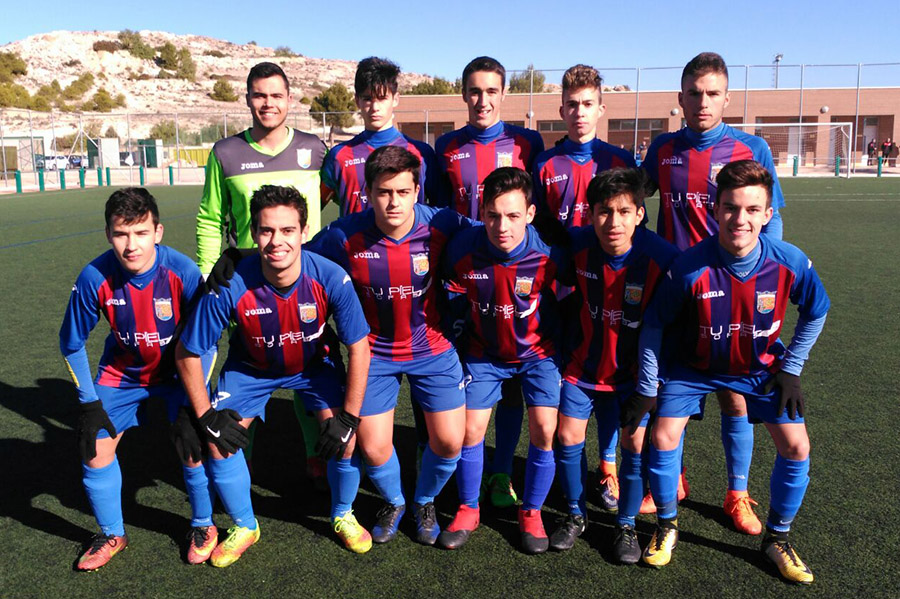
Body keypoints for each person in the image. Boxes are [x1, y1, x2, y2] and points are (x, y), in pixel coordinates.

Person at [625, 159, 829, 584]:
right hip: (694, 367)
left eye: (753, 210)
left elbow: (817, 310)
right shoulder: (689, 266)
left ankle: (778, 538)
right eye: (732, 208)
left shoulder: (789, 261)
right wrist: (648, 387)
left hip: (759, 369)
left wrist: (791, 367)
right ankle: (666, 526)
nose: (741, 219)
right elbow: (656, 324)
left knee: (797, 446)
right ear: (714, 210)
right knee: (662, 436)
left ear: (768, 215)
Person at [176, 185, 371, 565]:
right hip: (252, 369)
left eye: (286, 231)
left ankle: (343, 513)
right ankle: (245, 524)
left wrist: (349, 417)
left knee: (346, 439)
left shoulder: (330, 277)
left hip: (314, 366)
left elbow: (359, 347)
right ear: (254, 232)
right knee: (218, 439)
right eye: (266, 231)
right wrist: (204, 416)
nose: (276, 241)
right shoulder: (229, 284)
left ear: (303, 232)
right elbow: (188, 352)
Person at [641, 52, 788, 530]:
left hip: (734, 292)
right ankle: (674, 478)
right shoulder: (662, 149)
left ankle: (737, 494)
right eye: (693, 93)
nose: (702, 102)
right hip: (678, 290)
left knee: (735, 398)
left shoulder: (751, 148)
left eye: (711, 94)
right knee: (670, 395)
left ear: (727, 98)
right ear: (680, 97)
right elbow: (629, 196)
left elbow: (774, 218)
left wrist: (768, 276)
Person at [307, 145, 472, 545]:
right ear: (368, 192)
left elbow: (499, 237)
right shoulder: (343, 235)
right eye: (383, 192)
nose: (393, 201)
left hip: (432, 347)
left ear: (417, 190)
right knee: (374, 447)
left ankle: (425, 501)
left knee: (451, 440)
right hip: (374, 355)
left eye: (402, 191)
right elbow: (294, 259)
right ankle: (396, 501)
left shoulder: (445, 224)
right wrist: (241, 258)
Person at [59, 187, 217, 570]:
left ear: (157, 233)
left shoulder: (181, 271)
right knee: (94, 448)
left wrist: (193, 404)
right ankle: (112, 532)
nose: (132, 245)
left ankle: (204, 525)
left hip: (180, 372)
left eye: (141, 232)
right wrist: (90, 402)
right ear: (109, 235)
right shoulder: (95, 275)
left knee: (191, 443)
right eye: (121, 234)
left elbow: (207, 341)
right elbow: (71, 343)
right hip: (122, 374)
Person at [196, 61, 329, 487]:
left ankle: (317, 456)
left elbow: (331, 204)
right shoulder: (226, 153)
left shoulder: (316, 149)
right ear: (247, 98)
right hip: (249, 285)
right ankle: (240, 461)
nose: (267, 103)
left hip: (305, 283)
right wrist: (209, 276)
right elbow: (209, 218)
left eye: (276, 95)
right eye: (259, 95)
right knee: (246, 366)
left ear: (290, 100)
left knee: (313, 370)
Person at [435, 56, 546, 507]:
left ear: (504, 95)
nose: (483, 100)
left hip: (517, 265)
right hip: (468, 271)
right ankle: (450, 468)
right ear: (464, 94)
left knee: (516, 376)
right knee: (474, 370)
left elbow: (532, 201)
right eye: (474, 91)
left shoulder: (527, 141)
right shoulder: (445, 145)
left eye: (491, 91)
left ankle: (501, 473)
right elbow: (441, 211)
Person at [551, 168, 678, 560]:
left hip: (634, 378)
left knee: (633, 446)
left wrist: (657, 383)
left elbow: (674, 323)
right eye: (605, 212)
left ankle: (625, 525)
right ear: (590, 214)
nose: (614, 222)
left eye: (625, 211)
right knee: (568, 437)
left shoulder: (663, 258)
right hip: (582, 368)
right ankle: (575, 514)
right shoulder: (578, 246)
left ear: (640, 214)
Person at [442, 167, 566, 554]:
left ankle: (531, 512)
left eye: (513, 216)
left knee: (545, 430)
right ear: (482, 213)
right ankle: (467, 508)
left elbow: (571, 301)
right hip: (484, 354)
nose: (502, 226)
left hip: (537, 355)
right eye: (493, 215)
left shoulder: (549, 256)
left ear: (530, 213)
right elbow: (448, 285)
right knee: (470, 430)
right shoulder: (464, 248)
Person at [532, 64, 636, 511]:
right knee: (573, 371)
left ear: (601, 108)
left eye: (588, 103)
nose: (579, 112)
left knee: (610, 373)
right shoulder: (544, 163)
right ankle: (563, 465)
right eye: (572, 104)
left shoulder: (620, 161)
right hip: (565, 285)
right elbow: (540, 229)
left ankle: (608, 464)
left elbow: (634, 220)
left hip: (613, 283)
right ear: (561, 108)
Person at [321, 57, 439, 215]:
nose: (375, 107)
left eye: (382, 98)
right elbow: (315, 208)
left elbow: (439, 211)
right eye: (368, 99)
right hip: (354, 240)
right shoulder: (339, 156)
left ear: (395, 99)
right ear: (357, 101)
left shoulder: (422, 154)